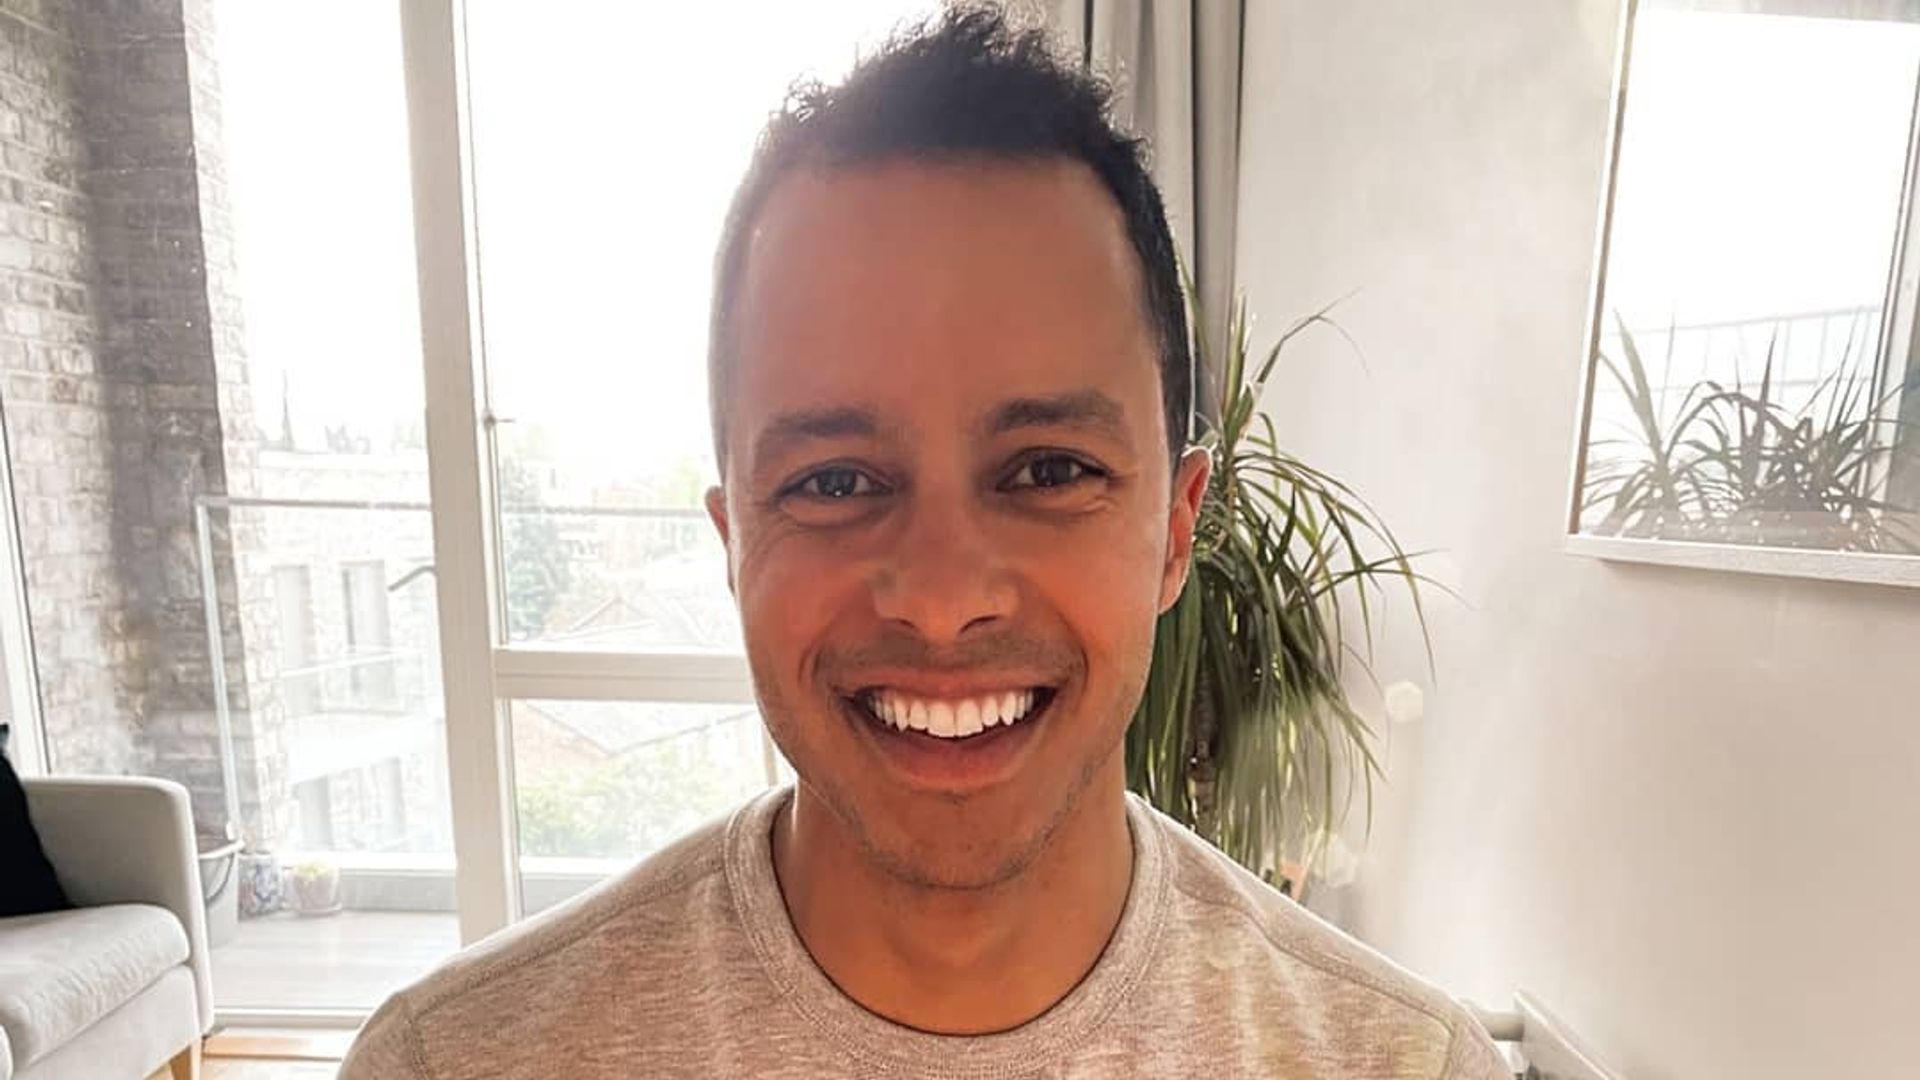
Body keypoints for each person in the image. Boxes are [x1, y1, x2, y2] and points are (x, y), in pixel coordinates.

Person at [341, 7, 1507, 1077]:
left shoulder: (1400, 1063)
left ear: (1173, 530)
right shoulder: (453, 1064)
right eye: (835, 480)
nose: (943, 599)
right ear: (734, 543)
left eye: (1051, 470)